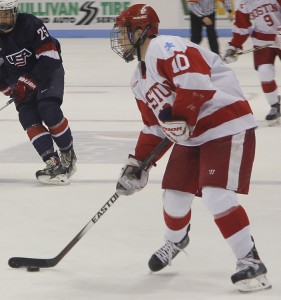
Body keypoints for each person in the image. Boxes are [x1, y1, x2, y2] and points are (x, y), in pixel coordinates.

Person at [110, 3, 271, 293]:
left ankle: (251, 262)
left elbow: (195, 83)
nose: (120, 39)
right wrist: (138, 164)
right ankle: (176, 241)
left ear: (142, 30)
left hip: (225, 124)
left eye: (124, 32)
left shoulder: (165, 46)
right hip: (193, 136)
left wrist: (182, 116)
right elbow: (154, 127)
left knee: (216, 195)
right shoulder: (138, 80)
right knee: (173, 198)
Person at [0, 0, 77, 185]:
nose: (3, 17)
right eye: (0, 14)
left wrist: (30, 80)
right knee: (27, 117)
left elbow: (50, 57)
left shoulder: (30, 24)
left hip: (47, 72)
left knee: (48, 108)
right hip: (20, 79)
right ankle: (52, 161)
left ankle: (68, 156)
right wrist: (8, 88)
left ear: (15, 12)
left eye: (6, 13)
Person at [223, 0, 281, 125]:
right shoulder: (245, 3)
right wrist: (234, 46)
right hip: (262, 41)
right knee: (265, 72)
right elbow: (241, 26)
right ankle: (274, 105)